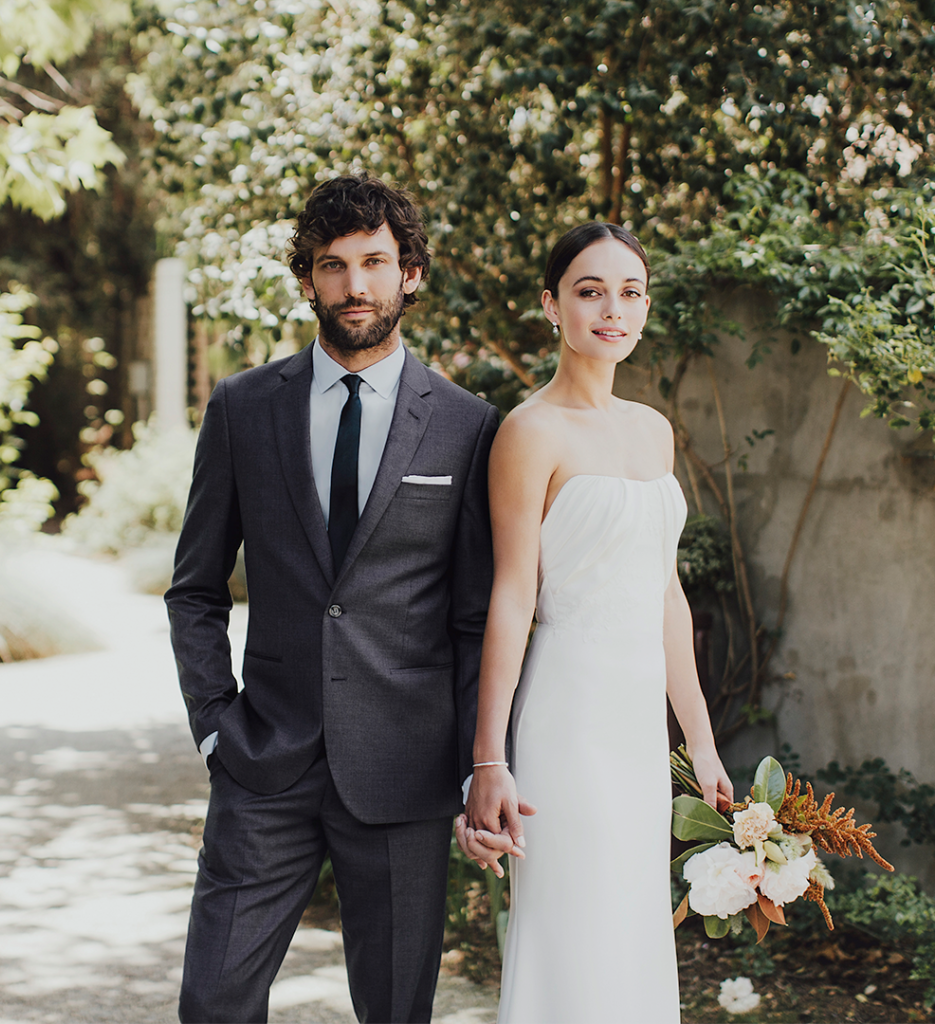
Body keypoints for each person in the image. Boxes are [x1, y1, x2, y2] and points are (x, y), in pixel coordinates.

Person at [165, 174, 499, 1024]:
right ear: (307, 279)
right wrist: (215, 724)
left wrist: (471, 763)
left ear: (410, 273)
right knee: (213, 1002)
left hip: (405, 771)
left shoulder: (466, 424)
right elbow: (196, 589)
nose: (356, 286)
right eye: (334, 265)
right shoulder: (243, 408)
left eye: (376, 263)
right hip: (263, 760)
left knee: (394, 1011)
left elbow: (472, 616)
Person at [455, 222, 733, 1023]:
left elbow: (665, 594)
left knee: (631, 931)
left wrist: (701, 742)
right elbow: (511, 597)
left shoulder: (653, 429)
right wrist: (488, 760)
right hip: (566, 723)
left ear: (646, 309)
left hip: (636, 729)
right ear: (552, 306)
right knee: (574, 934)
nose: (613, 309)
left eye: (630, 291)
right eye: (590, 290)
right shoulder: (529, 431)